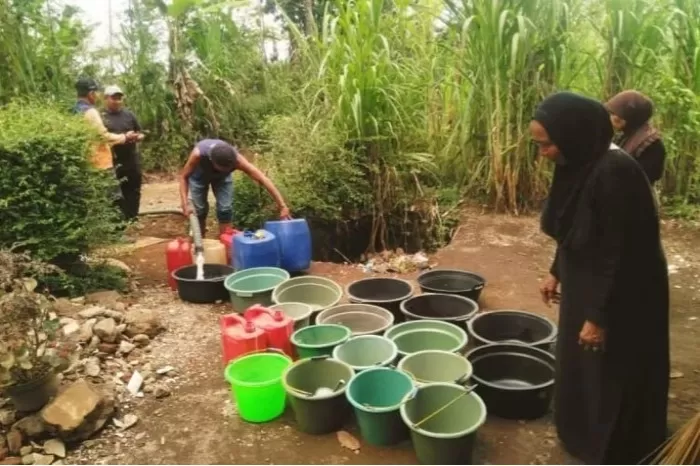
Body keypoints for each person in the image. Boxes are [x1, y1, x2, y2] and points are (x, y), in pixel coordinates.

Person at [530, 92, 669, 464]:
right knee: (582, 364)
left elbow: (619, 255)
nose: (542, 153)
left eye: (546, 144)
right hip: (588, 283)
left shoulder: (614, 173)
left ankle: (614, 446)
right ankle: (579, 430)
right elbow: (575, 227)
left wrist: (598, 316)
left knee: (611, 370)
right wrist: (556, 272)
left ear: (572, 134)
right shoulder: (580, 163)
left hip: (622, 292)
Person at [179, 139, 290, 236]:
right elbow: (183, 177)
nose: (228, 169)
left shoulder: (237, 161)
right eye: (223, 168)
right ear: (212, 161)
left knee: (225, 209)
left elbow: (263, 179)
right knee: (199, 210)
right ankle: (199, 242)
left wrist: (282, 206)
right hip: (199, 176)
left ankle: (226, 242)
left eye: (230, 168)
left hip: (222, 179)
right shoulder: (198, 155)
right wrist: (185, 204)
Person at [101, 85, 145, 222]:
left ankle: (132, 220)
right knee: (115, 195)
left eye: (119, 98)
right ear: (106, 98)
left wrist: (137, 137)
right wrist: (122, 137)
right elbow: (101, 138)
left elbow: (141, 133)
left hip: (131, 159)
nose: (117, 101)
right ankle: (117, 224)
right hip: (112, 161)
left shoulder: (129, 114)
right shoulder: (101, 117)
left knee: (133, 190)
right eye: (114, 98)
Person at [605, 90, 666, 186]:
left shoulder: (652, 145)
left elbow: (644, 177)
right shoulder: (624, 136)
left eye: (615, 114)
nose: (612, 118)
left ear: (630, 116)